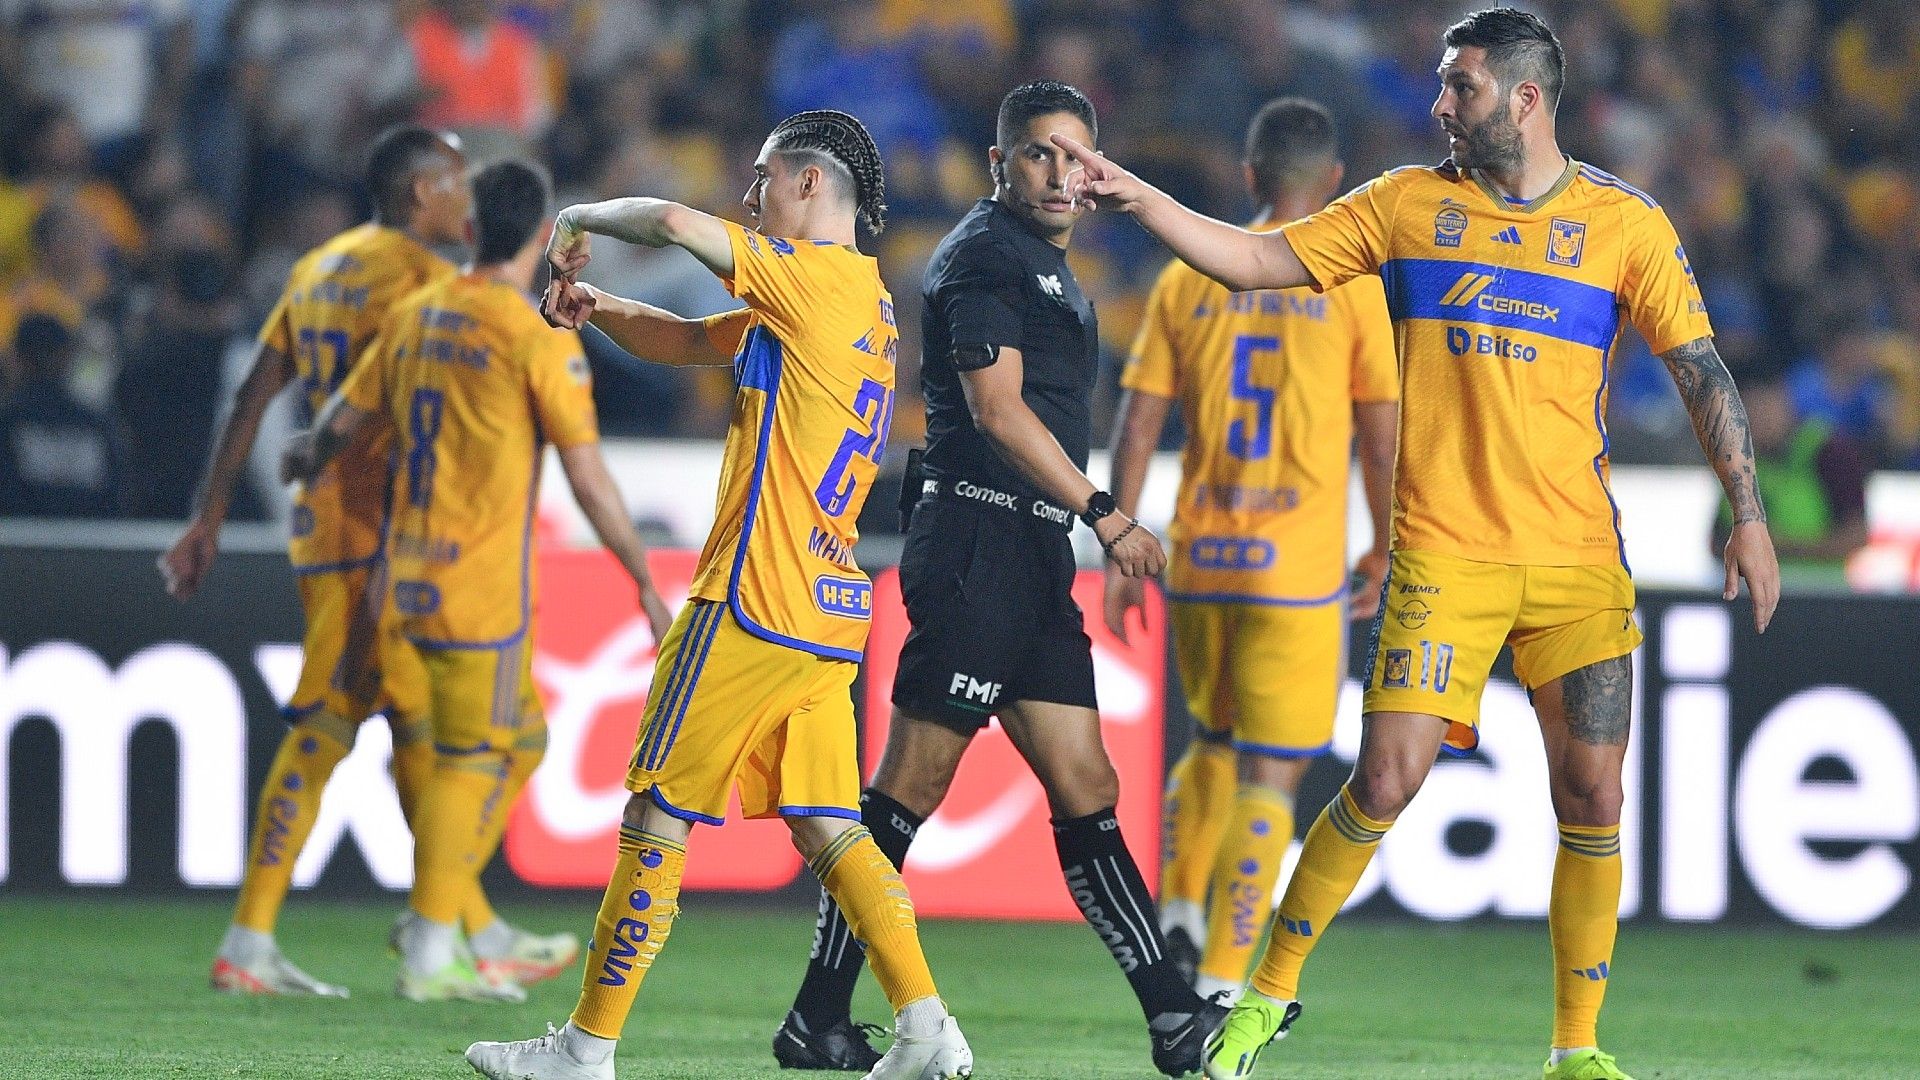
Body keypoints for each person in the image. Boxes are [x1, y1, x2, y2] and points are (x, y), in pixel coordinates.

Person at [1050, 9, 1781, 1080]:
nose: (1440, 104)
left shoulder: (1625, 224)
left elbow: (1700, 368)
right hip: (1444, 555)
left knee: (1595, 797)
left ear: (1526, 99)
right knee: (1385, 780)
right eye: (1442, 84)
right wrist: (1139, 195)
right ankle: (1262, 999)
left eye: (1461, 86)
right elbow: (1254, 259)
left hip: (1579, 561)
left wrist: (1749, 514)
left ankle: (1575, 1050)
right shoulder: (1404, 206)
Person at [463, 109, 973, 1080]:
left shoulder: (808, 275)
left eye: (762, 178)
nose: (748, 197)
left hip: (749, 596)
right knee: (830, 826)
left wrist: (579, 216)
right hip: (824, 609)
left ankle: (583, 1050)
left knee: (656, 814)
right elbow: (695, 341)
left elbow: (668, 220)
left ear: (811, 184)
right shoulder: (860, 302)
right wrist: (599, 308)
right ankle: (926, 1025)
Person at [773, 81, 1224, 1078]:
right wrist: (1106, 513)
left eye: (1077, 157)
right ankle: (816, 1013)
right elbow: (995, 409)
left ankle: (1172, 1017)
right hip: (975, 543)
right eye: (1038, 154)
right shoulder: (983, 257)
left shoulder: (1050, 267)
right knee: (911, 785)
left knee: (1087, 783)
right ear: (999, 164)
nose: (1060, 175)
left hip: (1032, 556)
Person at [162, 125, 565, 997]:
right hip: (383, 533)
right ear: (422, 194)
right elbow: (415, 403)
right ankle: (264, 939)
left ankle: (462, 927)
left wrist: (210, 515)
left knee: (423, 735)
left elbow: (255, 391)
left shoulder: (318, 268)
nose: (467, 195)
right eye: (455, 180)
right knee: (339, 725)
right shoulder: (424, 282)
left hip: (331, 530)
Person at [284, 159, 673, 1001]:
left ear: (469, 230)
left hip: (400, 576)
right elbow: (587, 476)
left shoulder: (418, 313)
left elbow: (338, 423)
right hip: (478, 587)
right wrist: (643, 580)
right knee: (472, 758)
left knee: (521, 738)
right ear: (543, 238)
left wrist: (304, 459)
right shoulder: (531, 337)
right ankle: (431, 947)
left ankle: (451, 912)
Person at [1105, 97, 1398, 1001]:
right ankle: (1225, 981)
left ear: (1248, 176)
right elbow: (1381, 434)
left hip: (1202, 559)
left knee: (1211, 739)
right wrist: (1384, 545)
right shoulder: (1350, 285)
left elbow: (1138, 420)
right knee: (1271, 772)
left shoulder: (1187, 275)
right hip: (1296, 574)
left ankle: (1179, 911)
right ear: (1336, 183)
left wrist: (1121, 537)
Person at [1713, 375, 1870, 590]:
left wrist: (1779, 547)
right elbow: (1717, 542)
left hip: (1819, 596)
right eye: (1748, 413)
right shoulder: (1737, 462)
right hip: (1752, 598)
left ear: (1785, 403)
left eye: (1764, 409)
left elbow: (1856, 536)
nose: (1758, 421)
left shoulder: (1829, 452)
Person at [0, 314, 124, 517]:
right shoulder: (96, 423)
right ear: (67, 356)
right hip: (92, 535)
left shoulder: (7, 422)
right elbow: (117, 492)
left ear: (16, 359)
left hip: (17, 536)